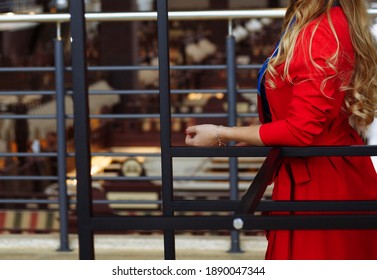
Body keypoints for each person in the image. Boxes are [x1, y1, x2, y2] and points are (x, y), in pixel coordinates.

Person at [185, 0, 377, 260]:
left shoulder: (320, 30)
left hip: (319, 183)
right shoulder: (321, 21)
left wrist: (222, 133)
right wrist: (258, 130)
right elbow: (306, 109)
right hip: (320, 171)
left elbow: (300, 130)